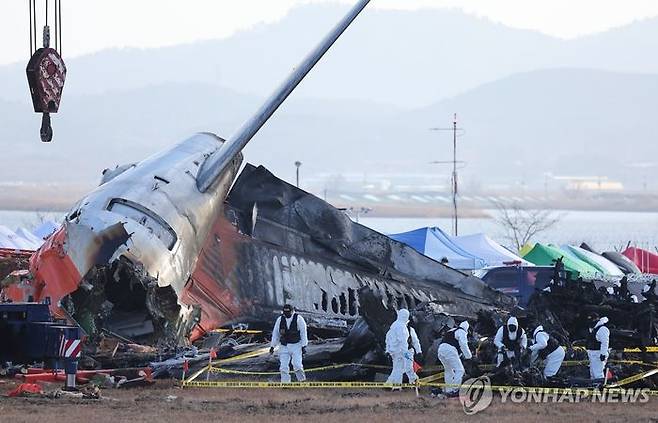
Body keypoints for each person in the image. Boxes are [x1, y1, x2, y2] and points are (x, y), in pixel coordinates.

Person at [270, 304, 308, 383]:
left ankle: (302, 381)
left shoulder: (299, 319)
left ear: (292, 311)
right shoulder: (280, 319)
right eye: (285, 313)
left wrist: (304, 346)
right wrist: (272, 346)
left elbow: (303, 333)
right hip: (284, 346)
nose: (286, 314)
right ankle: (285, 383)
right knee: (283, 367)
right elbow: (275, 333)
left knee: (297, 365)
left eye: (288, 312)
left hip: (296, 345)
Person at [437, 321, 472, 397]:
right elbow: (463, 345)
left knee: (449, 370)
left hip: (440, 350)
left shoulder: (452, 330)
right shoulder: (462, 332)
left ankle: (448, 390)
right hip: (450, 350)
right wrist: (469, 356)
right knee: (460, 370)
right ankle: (455, 390)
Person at [385, 309, 418, 386]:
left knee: (398, 368)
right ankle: (412, 382)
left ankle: (390, 383)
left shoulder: (393, 326)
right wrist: (405, 352)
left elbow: (387, 339)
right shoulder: (402, 327)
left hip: (394, 351)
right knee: (407, 368)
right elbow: (403, 341)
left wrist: (388, 350)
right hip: (403, 352)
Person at [586, 314, 610, 380]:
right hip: (592, 353)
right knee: (593, 373)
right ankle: (594, 388)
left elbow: (605, 342)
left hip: (598, 354)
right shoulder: (593, 328)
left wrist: (603, 354)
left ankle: (600, 388)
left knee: (598, 373)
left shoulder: (602, 329)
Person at [404, 317, 422, 384]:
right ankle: (394, 385)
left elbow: (415, 341)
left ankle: (414, 383)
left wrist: (419, 351)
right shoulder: (395, 330)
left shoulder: (410, 330)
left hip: (407, 352)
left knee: (409, 369)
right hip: (398, 352)